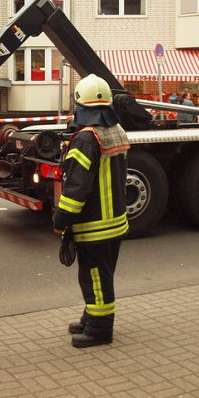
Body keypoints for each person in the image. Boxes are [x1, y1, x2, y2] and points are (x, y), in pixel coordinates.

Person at [53, 74, 130, 348]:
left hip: (95, 225)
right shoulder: (115, 131)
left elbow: (76, 188)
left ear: (79, 104)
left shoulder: (86, 139)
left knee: (95, 277)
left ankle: (99, 329)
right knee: (100, 275)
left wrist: (61, 219)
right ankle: (90, 317)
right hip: (115, 222)